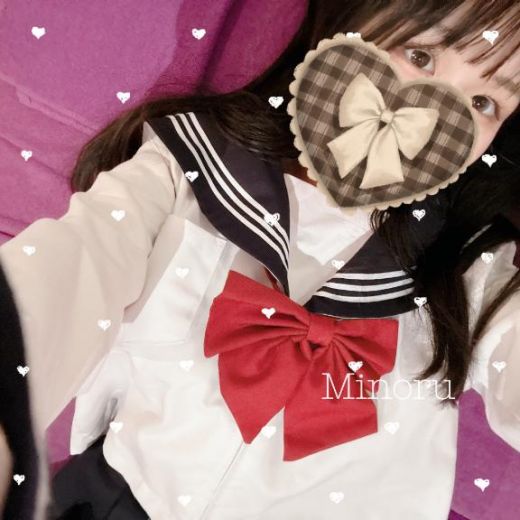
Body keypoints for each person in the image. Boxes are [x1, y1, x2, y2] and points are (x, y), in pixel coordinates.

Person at [1, 0, 519, 518]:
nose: (432, 116)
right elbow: (65, 275)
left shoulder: (473, 273)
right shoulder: (187, 170)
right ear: (352, 20)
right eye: (421, 57)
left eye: (483, 103)